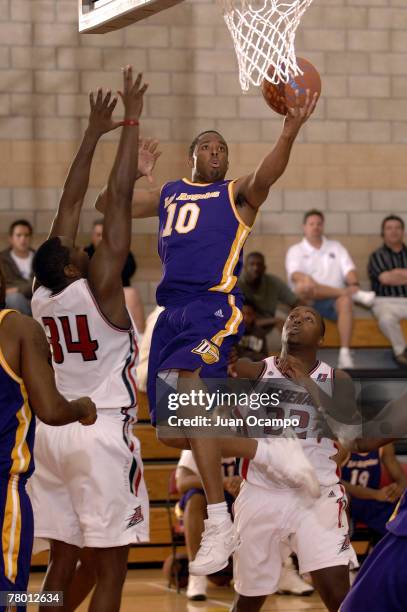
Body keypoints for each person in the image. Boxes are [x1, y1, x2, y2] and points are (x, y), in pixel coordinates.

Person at [97, 89, 320, 576]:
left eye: (223, 149)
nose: (216, 153)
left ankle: (220, 521)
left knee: (189, 384)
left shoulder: (237, 194)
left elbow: (268, 173)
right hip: (170, 313)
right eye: (208, 147)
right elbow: (103, 201)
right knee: (171, 430)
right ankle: (268, 449)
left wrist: (290, 129)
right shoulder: (170, 193)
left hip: (212, 308)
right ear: (192, 155)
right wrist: (134, 173)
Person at [29, 68, 149, 612]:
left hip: (50, 437)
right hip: (98, 428)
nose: (83, 244)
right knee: (111, 571)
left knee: (61, 561)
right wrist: (128, 123)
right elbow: (116, 198)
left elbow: (68, 206)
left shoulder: (39, 295)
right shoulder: (100, 291)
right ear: (77, 264)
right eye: (80, 248)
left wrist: (91, 133)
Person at [229, 306, 358, 612]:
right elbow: (225, 369)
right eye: (292, 317)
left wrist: (307, 385)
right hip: (261, 493)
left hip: (317, 496)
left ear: (322, 340)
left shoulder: (337, 378)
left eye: (308, 318)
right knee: (247, 601)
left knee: (340, 597)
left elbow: (351, 431)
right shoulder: (255, 370)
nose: (297, 319)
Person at [0, 263, 96, 609]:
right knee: (9, 596)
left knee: (65, 561)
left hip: (40, 471)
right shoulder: (19, 329)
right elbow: (52, 411)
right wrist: (83, 407)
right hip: (6, 489)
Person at [285, 209, 375, 369]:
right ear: (304, 227)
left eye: (319, 224)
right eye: (312, 224)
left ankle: (345, 353)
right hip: (308, 302)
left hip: (333, 303)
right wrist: (347, 290)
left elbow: (350, 271)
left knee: (346, 300)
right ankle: (355, 295)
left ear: (323, 226)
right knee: (305, 285)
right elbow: (295, 275)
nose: (316, 227)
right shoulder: (296, 250)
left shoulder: (336, 247)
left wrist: (353, 284)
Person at [175, 450, 239, 601]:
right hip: (206, 503)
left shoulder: (248, 439)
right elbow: (182, 483)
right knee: (195, 498)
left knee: (270, 495)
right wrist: (222, 482)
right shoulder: (196, 443)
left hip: (238, 499)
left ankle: (281, 568)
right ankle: (197, 574)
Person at [85, 219, 145, 334]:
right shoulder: (86, 254)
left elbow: (129, 271)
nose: (101, 238)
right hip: (93, 298)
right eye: (98, 235)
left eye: (104, 235)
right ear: (92, 236)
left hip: (121, 296)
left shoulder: (122, 252)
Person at [341, 443, 407, 541]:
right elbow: (334, 480)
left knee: (400, 507)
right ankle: (343, 542)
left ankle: (386, 547)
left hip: (372, 501)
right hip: (350, 500)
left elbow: (401, 479)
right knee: (343, 498)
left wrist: (396, 490)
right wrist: (375, 494)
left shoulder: (384, 445)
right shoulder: (342, 444)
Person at [368, 215, 407, 367]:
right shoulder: (377, 256)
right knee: (386, 319)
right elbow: (385, 279)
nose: (394, 231)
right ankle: (401, 353)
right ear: (383, 233)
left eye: (397, 228)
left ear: (403, 231)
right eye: (389, 228)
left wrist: (396, 273)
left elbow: (391, 277)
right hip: (385, 302)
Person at [238, 251, 300, 335]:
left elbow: (295, 301)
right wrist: (275, 320)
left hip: (268, 325)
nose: (255, 268)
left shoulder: (273, 282)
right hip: (241, 326)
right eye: (252, 264)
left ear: (264, 268)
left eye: (259, 264)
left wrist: (298, 319)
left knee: (287, 325)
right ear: (244, 267)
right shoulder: (235, 285)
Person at [0, 219, 35, 315]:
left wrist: (18, 289)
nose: (23, 239)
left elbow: (41, 283)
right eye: (19, 235)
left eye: (26, 235)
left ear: (31, 238)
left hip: (37, 300)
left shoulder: (40, 258)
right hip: (13, 303)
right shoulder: (2, 260)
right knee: (14, 298)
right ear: (11, 238)